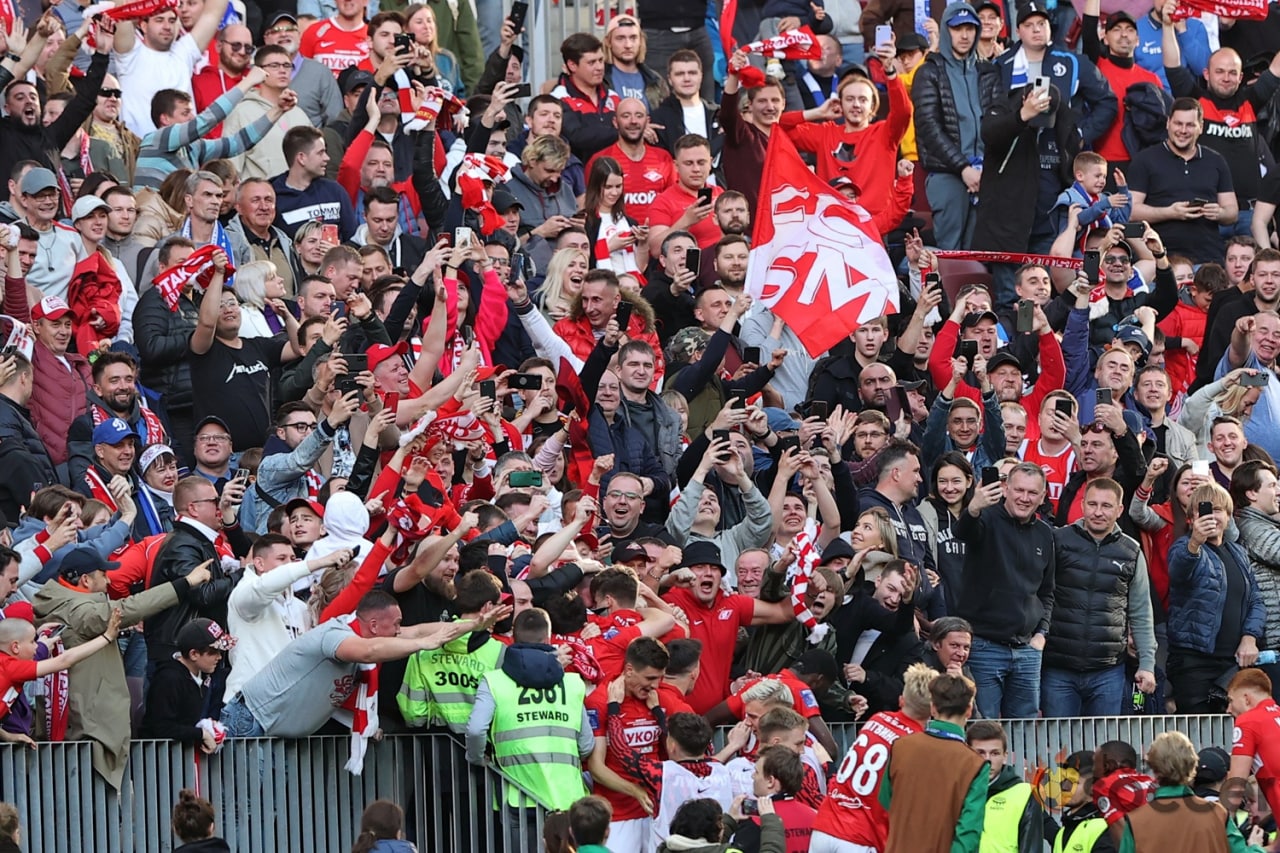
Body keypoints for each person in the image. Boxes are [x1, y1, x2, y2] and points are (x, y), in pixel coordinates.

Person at [31, 549, 213, 788]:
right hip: (88, 734)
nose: (109, 581)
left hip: (81, 731)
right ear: (85, 580)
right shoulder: (77, 610)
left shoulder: (63, 605)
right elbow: (128, 608)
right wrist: (185, 583)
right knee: (88, 815)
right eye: (103, 574)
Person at [224, 590, 499, 738]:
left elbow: (418, 632)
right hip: (252, 721)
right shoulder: (335, 634)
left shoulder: (373, 632)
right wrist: (427, 644)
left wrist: (472, 625)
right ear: (375, 625)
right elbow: (369, 651)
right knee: (242, 812)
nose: (400, 630)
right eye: (396, 624)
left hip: (277, 730)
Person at [1043, 478, 1158, 717]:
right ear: (1082, 505)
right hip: (1058, 667)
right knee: (1058, 748)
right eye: (1092, 504)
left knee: (1106, 748)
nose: (1097, 512)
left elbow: (1141, 612)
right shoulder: (1058, 541)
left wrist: (1147, 665)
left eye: (1106, 506)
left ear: (1119, 510)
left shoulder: (1131, 551)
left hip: (1108, 671)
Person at [955, 462, 1056, 719]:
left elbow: (1047, 591)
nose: (1024, 498)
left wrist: (1041, 633)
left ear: (1043, 496)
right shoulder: (985, 519)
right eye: (1019, 490)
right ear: (1005, 488)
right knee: (982, 727)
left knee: (1025, 734)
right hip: (984, 646)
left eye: (1032, 493)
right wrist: (974, 508)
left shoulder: (1046, 534)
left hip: (1028, 650)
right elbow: (963, 532)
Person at [810, 663, 935, 853]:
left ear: (902, 700)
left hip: (825, 826)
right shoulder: (919, 745)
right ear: (934, 709)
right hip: (861, 837)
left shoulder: (878, 719)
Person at [910, 2, 1002, 250]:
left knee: (979, 253)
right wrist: (963, 168)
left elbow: (998, 122)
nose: (964, 35)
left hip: (985, 173)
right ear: (945, 31)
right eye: (957, 28)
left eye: (970, 28)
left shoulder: (988, 71)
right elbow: (929, 127)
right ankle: (940, 291)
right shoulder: (929, 72)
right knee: (949, 252)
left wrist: (986, 167)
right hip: (947, 174)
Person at [1167, 482, 1265, 713]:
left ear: (1229, 517)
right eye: (1205, 510)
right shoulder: (1184, 547)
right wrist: (1195, 542)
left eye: (1218, 510)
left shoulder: (1237, 552)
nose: (1212, 516)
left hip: (1234, 663)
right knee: (1200, 735)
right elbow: (1178, 571)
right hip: (1194, 664)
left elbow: (1256, 601)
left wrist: (1250, 637)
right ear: (1192, 517)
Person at [879, 672, 988, 853]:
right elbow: (968, 835)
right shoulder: (975, 765)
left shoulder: (900, 747)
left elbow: (886, 801)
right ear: (969, 709)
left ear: (933, 708)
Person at [1119, 731, 1258, 853]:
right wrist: (1256, 846)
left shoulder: (1136, 821)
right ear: (1193, 767)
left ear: (1154, 770)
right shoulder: (1218, 814)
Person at [140, 618, 235, 749]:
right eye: (213, 652)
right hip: (159, 758)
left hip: (183, 756)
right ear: (194, 654)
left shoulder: (205, 673)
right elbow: (161, 727)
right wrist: (201, 734)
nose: (219, 657)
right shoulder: (168, 679)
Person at [967, 720, 1045, 853]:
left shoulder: (1025, 794)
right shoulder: (955, 791)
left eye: (995, 753)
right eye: (980, 752)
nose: (988, 760)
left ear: (1005, 756)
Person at [1226, 668, 1280, 816]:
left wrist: (1220, 826)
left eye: (1231, 701)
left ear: (1246, 699)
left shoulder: (1248, 721)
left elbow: (1236, 784)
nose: (1228, 709)